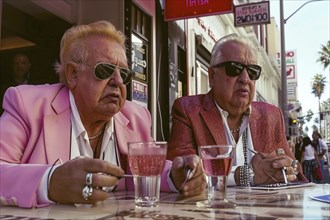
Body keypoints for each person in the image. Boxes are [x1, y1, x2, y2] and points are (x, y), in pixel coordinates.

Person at [0, 20, 206, 208]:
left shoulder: (136, 117)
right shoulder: (27, 104)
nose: (118, 81)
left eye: (124, 73)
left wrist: (176, 176)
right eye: (105, 70)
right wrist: (50, 181)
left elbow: (147, 169)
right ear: (73, 74)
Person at [168, 34, 306, 187]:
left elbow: (296, 174)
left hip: (264, 209)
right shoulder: (188, 110)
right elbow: (183, 175)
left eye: (253, 71)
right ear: (212, 76)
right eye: (234, 68)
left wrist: (289, 168)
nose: (245, 79)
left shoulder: (271, 116)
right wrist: (245, 175)